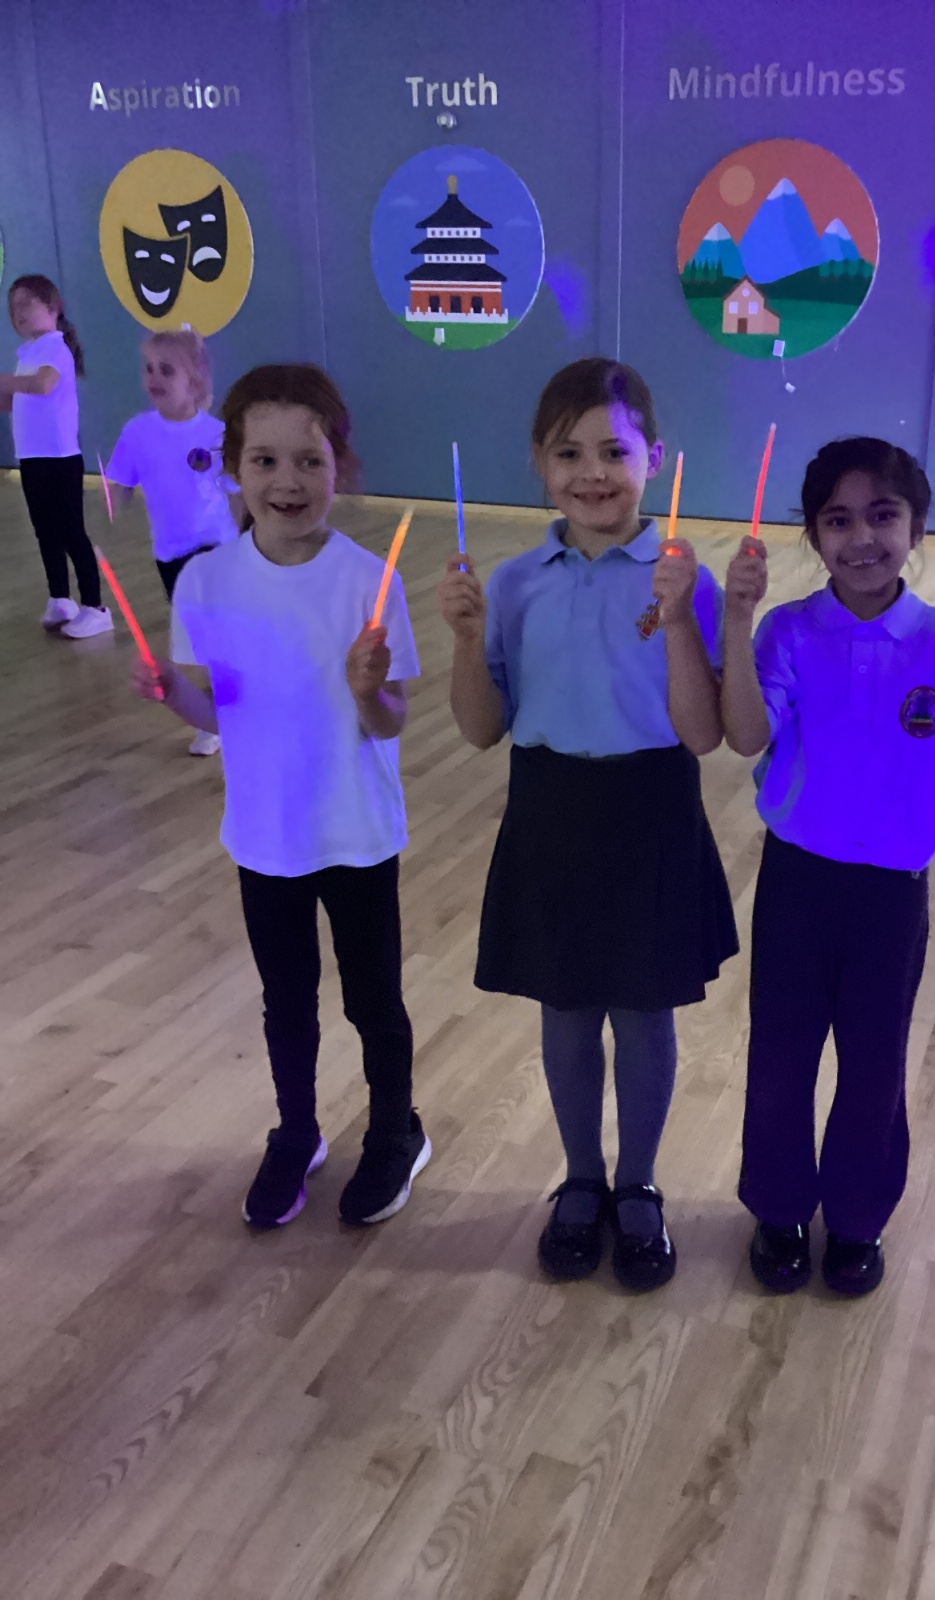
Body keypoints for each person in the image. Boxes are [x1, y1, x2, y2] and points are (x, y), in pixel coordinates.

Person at [717, 437, 935, 1298]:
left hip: (891, 897)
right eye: (837, 520)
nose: (861, 538)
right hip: (797, 883)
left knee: (874, 1066)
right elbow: (747, 736)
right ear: (812, 534)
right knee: (782, 1058)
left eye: (882, 515)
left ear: (917, 526)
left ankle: (858, 1217)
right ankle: (779, 1209)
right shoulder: (791, 632)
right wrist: (735, 621)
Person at [437, 357, 737, 1293]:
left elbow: (702, 734)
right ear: (539, 462)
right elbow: (480, 728)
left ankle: (638, 1183)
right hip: (551, 811)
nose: (593, 471)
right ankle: (580, 1179)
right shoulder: (516, 582)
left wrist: (681, 618)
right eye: (568, 453)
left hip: (651, 809)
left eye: (614, 450)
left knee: (644, 1016)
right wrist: (464, 640)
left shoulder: (686, 581)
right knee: (565, 1012)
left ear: (656, 458)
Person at [132, 364, 428, 1231]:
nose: (287, 481)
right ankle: (297, 1131)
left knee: (374, 1001)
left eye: (310, 460)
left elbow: (390, 721)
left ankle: (396, 1131)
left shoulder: (369, 580)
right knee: (285, 1002)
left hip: (357, 832)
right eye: (264, 460)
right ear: (232, 467)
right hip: (264, 835)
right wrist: (170, 695)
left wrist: (369, 689)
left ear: (340, 467)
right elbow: (216, 712)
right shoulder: (207, 582)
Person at [107, 329, 238, 756]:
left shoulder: (217, 434)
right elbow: (120, 482)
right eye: (148, 369)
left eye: (166, 370)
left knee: (218, 632)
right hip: (170, 552)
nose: (154, 378)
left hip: (215, 547)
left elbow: (239, 487)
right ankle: (215, 712)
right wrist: (111, 508)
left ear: (194, 382)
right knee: (197, 637)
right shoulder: (137, 432)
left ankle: (226, 712)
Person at [0, 275, 110, 638]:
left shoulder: (54, 347)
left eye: (25, 304)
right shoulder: (27, 354)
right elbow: (12, 401)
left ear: (52, 308)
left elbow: (43, 384)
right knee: (45, 531)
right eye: (13, 307)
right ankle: (60, 598)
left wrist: (5, 381)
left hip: (60, 460)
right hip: (32, 458)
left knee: (71, 532)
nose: (18, 313)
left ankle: (95, 607)